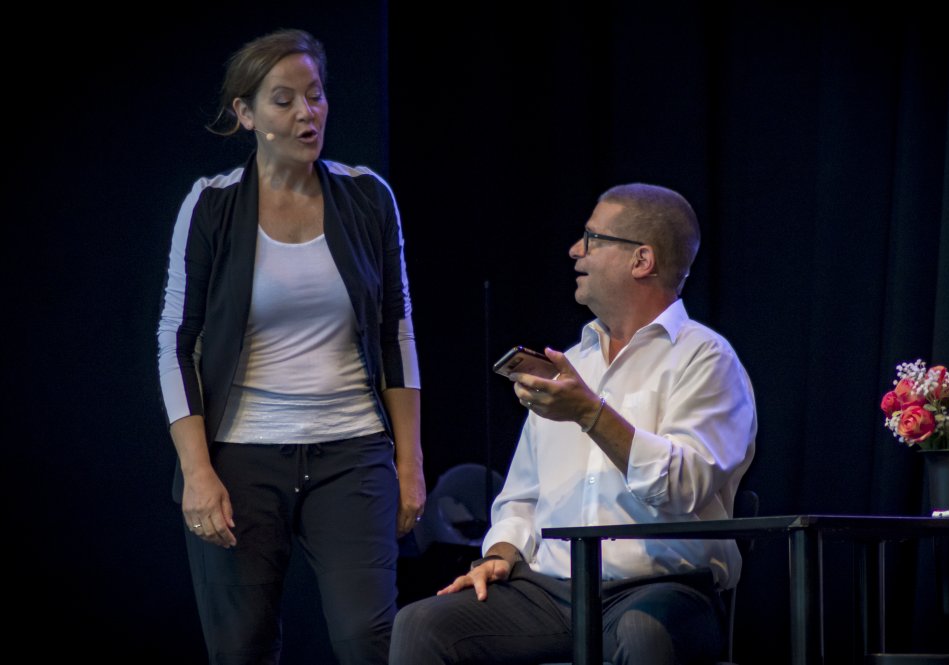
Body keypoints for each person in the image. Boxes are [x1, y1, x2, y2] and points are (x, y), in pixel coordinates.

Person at [389, 183, 756, 665]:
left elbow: (684, 485)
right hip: (549, 591)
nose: (575, 250)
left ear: (641, 260)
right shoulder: (573, 364)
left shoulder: (704, 359)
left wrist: (590, 413)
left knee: (644, 634)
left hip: (663, 588)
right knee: (422, 625)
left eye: (592, 238)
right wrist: (500, 553)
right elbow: (521, 498)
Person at [155, 28, 424, 664]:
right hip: (240, 459)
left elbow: (397, 330)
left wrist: (409, 461)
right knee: (241, 648)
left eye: (316, 94)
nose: (308, 113)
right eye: (284, 100)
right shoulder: (211, 205)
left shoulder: (367, 195)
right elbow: (175, 342)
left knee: (367, 640)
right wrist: (198, 472)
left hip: (352, 451)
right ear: (246, 114)